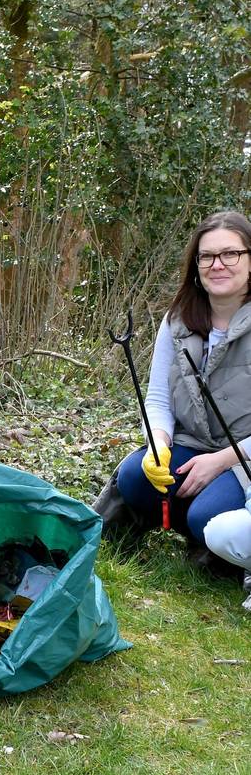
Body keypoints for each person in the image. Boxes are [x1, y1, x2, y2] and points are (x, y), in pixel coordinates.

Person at [107, 210, 251, 554]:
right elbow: (157, 398)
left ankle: (213, 540)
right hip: (192, 443)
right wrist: (158, 443)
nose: (218, 264)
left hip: (244, 458)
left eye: (230, 253)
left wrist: (221, 461)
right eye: (207, 256)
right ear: (196, 266)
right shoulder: (177, 320)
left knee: (208, 515)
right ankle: (196, 536)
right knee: (134, 478)